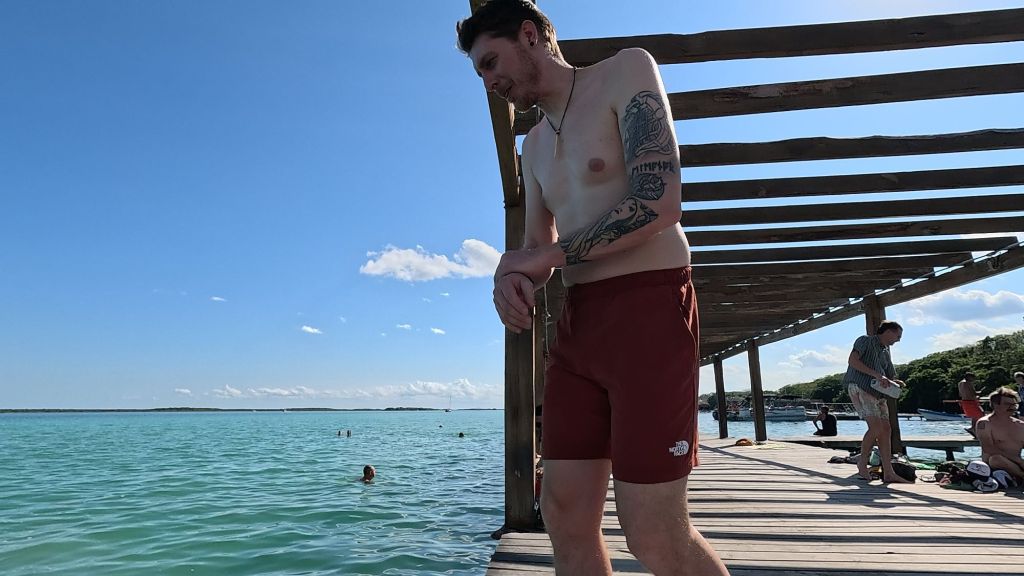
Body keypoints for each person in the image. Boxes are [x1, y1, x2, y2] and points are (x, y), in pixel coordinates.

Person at [457, 3, 727, 575]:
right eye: (479, 72)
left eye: (490, 62)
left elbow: (659, 200)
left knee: (653, 532)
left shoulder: (624, 72)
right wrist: (512, 276)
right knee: (563, 513)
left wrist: (545, 257)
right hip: (578, 324)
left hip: (650, 308)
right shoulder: (531, 146)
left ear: (529, 35)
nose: (488, 82)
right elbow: (537, 249)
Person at [843, 320, 910, 483]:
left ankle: (888, 472)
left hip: (878, 392)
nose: (898, 340)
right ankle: (862, 463)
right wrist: (877, 375)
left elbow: (888, 374)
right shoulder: (865, 340)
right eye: (898, 336)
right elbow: (852, 361)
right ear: (888, 331)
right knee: (876, 428)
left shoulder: (885, 351)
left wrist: (894, 382)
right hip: (860, 386)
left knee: (886, 429)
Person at [975, 387, 1024, 483]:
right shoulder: (984, 423)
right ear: (995, 405)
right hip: (995, 466)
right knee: (995, 459)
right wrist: (1019, 461)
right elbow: (988, 448)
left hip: (1017, 464)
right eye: (1007, 404)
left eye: (1014, 405)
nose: (1012, 407)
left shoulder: (1021, 425)